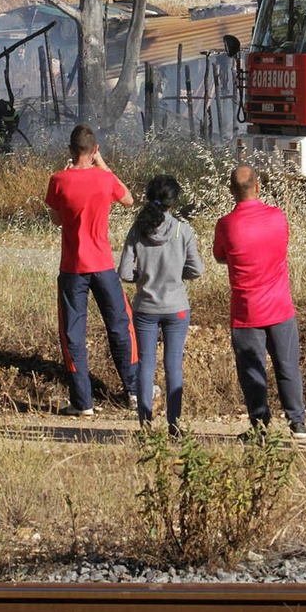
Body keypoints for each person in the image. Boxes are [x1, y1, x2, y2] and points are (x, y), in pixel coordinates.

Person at [45, 124, 139, 418]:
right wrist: (103, 164)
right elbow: (129, 199)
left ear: (70, 151)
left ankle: (83, 402)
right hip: (103, 266)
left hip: (73, 268)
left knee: (73, 334)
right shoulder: (105, 179)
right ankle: (134, 391)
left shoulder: (58, 179)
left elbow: (57, 220)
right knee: (120, 326)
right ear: (95, 149)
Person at [213, 165, 306, 439]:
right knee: (287, 366)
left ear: (232, 191)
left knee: (251, 370)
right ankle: (297, 421)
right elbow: (282, 245)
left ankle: (260, 425)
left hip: (246, 311)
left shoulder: (226, 224)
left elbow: (220, 256)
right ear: (258, 187)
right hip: (280, 306)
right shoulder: (278, 217)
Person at [118, 175, 203, 435]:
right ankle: (173, 425)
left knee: (146, 364)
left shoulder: (138, 230)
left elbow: (123, 272)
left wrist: (142, 278)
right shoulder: (182, 230)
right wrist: (179, 276)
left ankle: (145, 423)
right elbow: (196, 270)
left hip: (145, 307)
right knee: (173, 365)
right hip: (176, 307)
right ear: (173, 203)